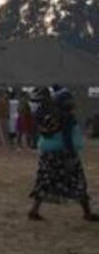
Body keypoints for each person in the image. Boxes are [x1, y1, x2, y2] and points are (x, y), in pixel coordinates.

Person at [28, 90, 95, 222]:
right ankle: (87, 213)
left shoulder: (50, 116)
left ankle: (34, 210)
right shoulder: (67, 117)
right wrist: (71, 154)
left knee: (45, 181)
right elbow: (67, 137)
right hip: (64, 154)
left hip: (48, 154)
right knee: (78, 181)